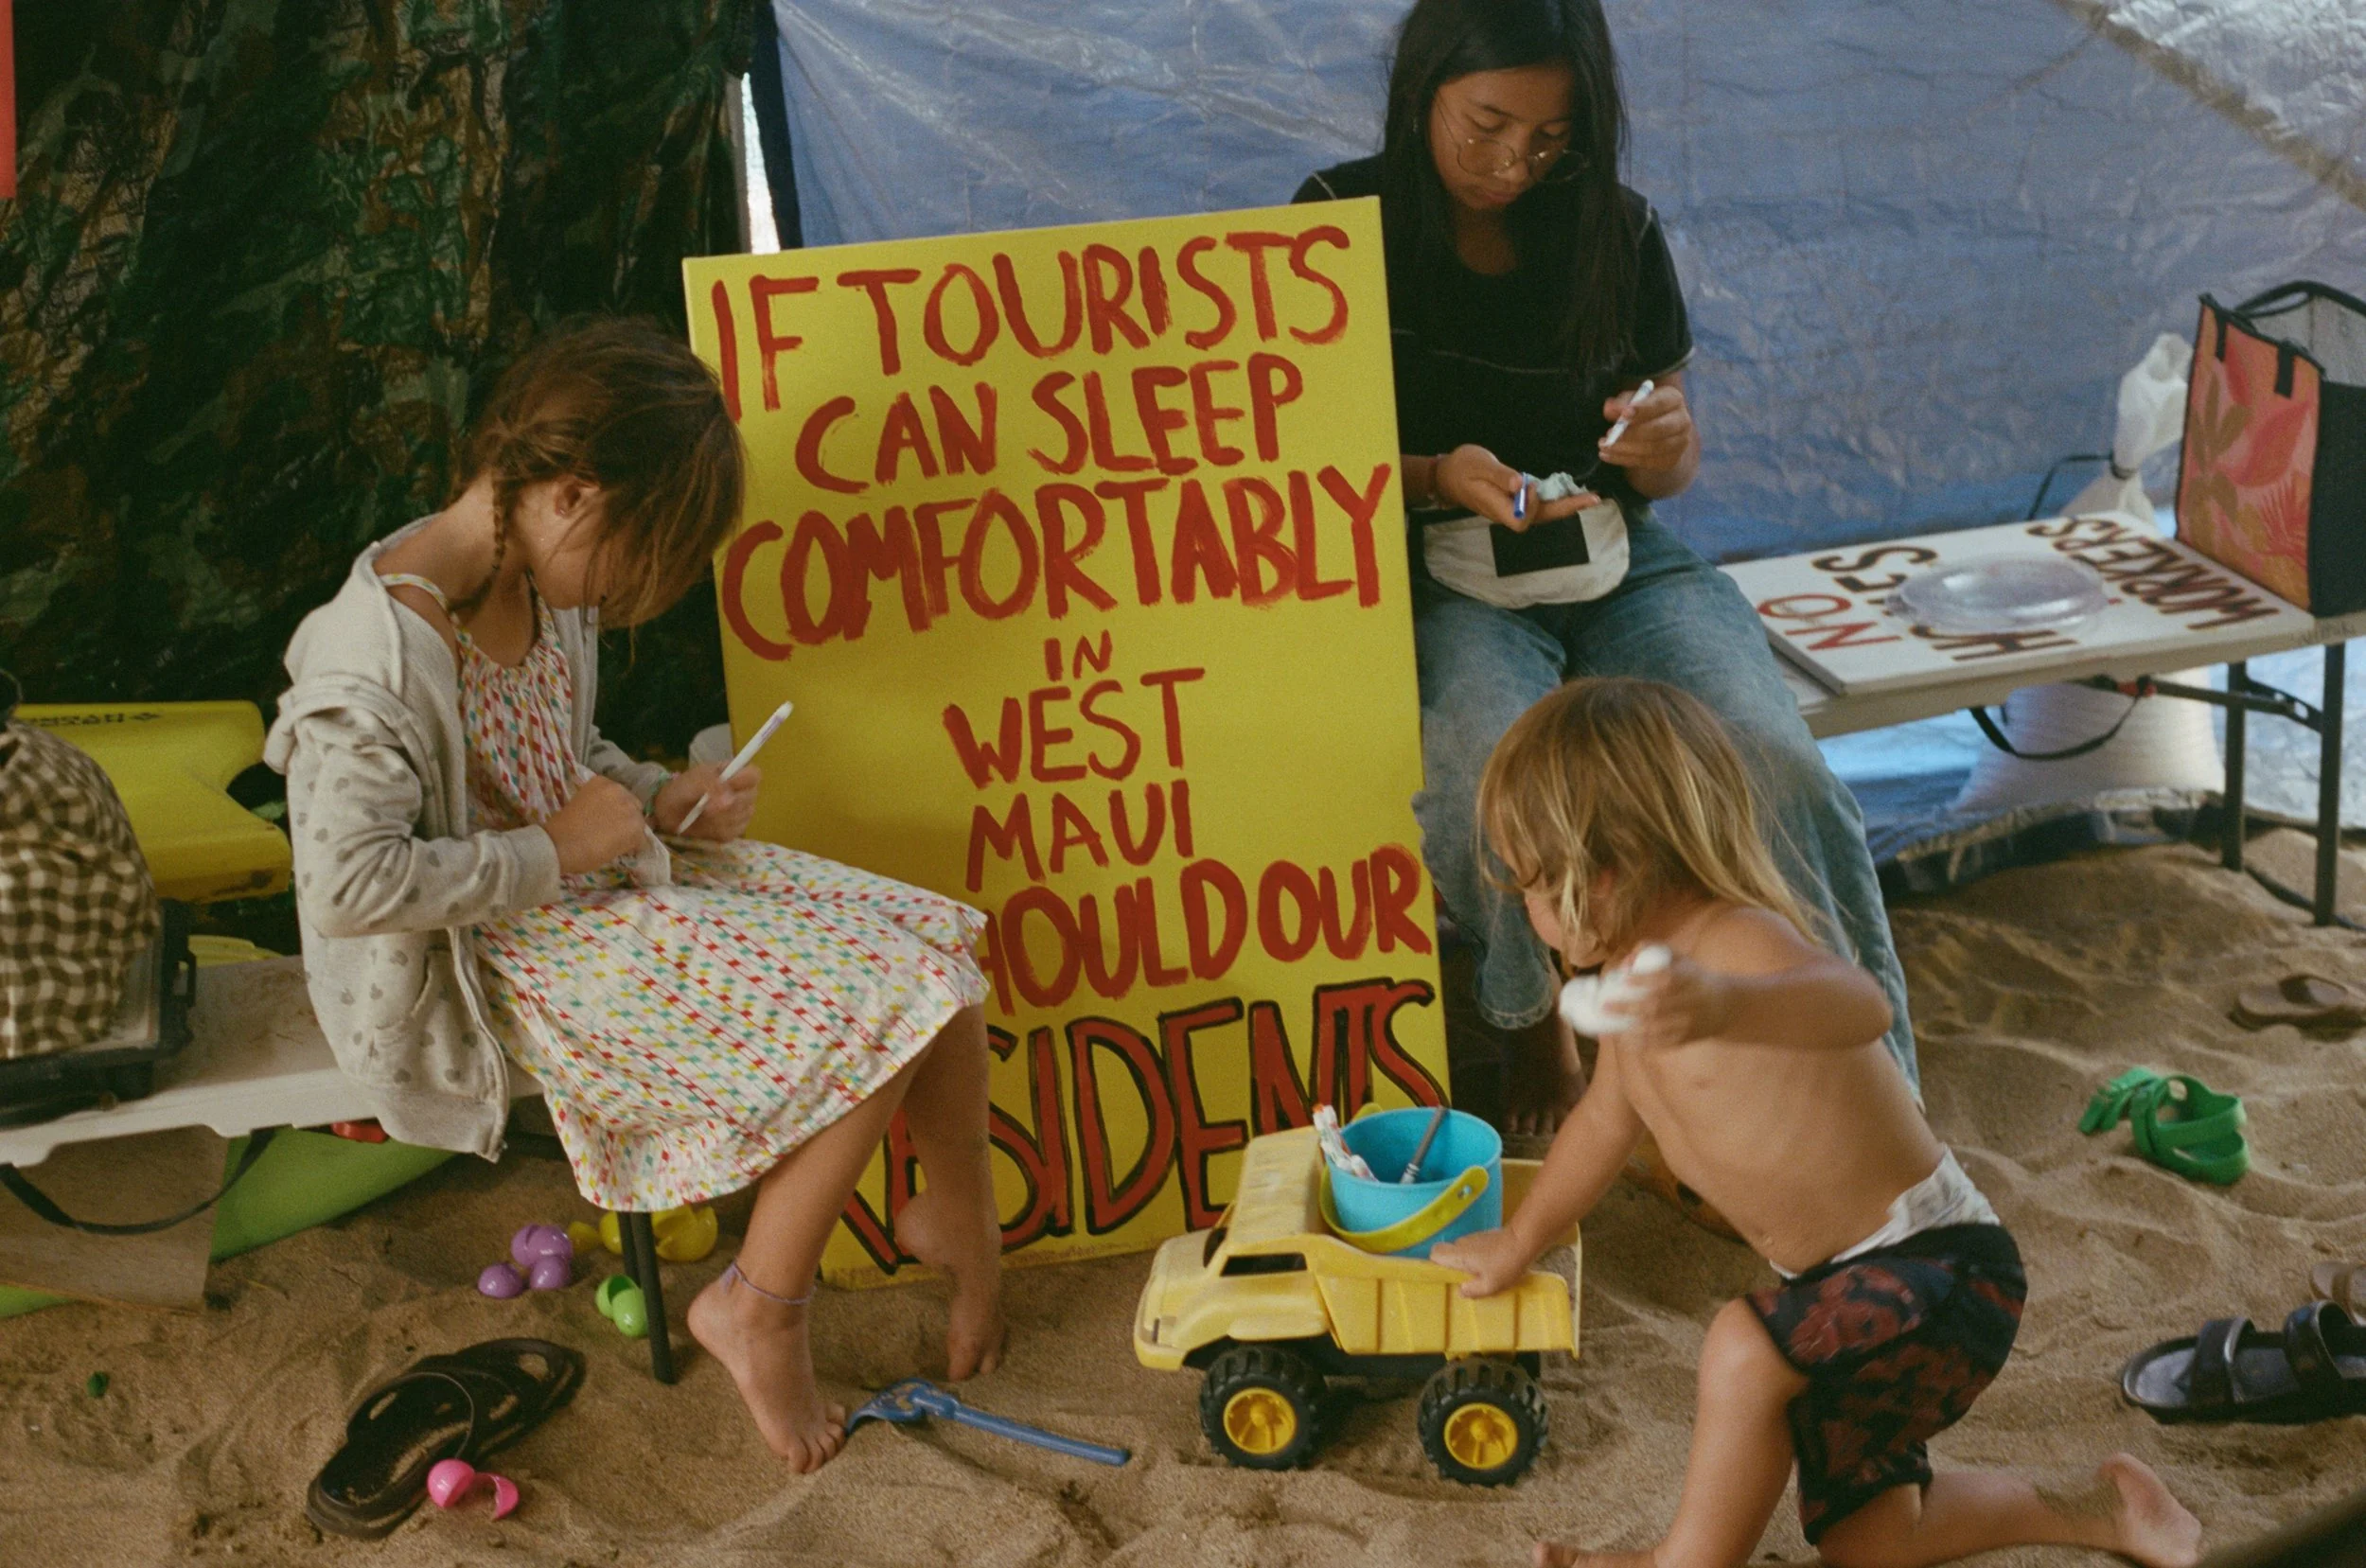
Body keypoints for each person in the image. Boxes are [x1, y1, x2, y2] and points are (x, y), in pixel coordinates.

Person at [266, 318, 1004, 1472]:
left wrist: (659, 798)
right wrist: (555, 852)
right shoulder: (373, 652)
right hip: (494, 963)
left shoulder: (538, 577)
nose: (623, 594)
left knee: (934, 936)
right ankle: (757, 1301)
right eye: (632, 554)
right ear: (571, 494)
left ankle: (954, 1204)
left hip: (594, 887)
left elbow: (567, 752)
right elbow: (354, 884)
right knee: (891, 997)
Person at [1293, 0, 1915, 1136]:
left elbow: (1666, 454)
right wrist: (1437, 474)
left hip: (1620, 557)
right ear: (1423, 86)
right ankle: (1537, 1029)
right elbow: (1298, 467)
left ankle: (1870, 1078)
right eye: (1484, 125)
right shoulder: (1337, 218)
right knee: (1488, 756)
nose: (1513, 163)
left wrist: (1668, 443)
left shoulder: (1616, 229)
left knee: (1772, 756)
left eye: (1549, 139)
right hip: (1436, 565)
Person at [1432, 678, 2202, 1568]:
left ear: (1603, 868)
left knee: (1742, 1345)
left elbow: (1857, 1004)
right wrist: (1520, 1238)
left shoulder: (1732, 946)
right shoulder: (1638, 995)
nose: (1525, 908)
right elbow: (1600, 1128)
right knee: (1872, 1544)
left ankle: (1679, 1564)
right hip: (1837, 1300)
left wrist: (1727, 1005)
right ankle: (2102, 1509)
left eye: (1530, 882)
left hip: (1941, 1269)